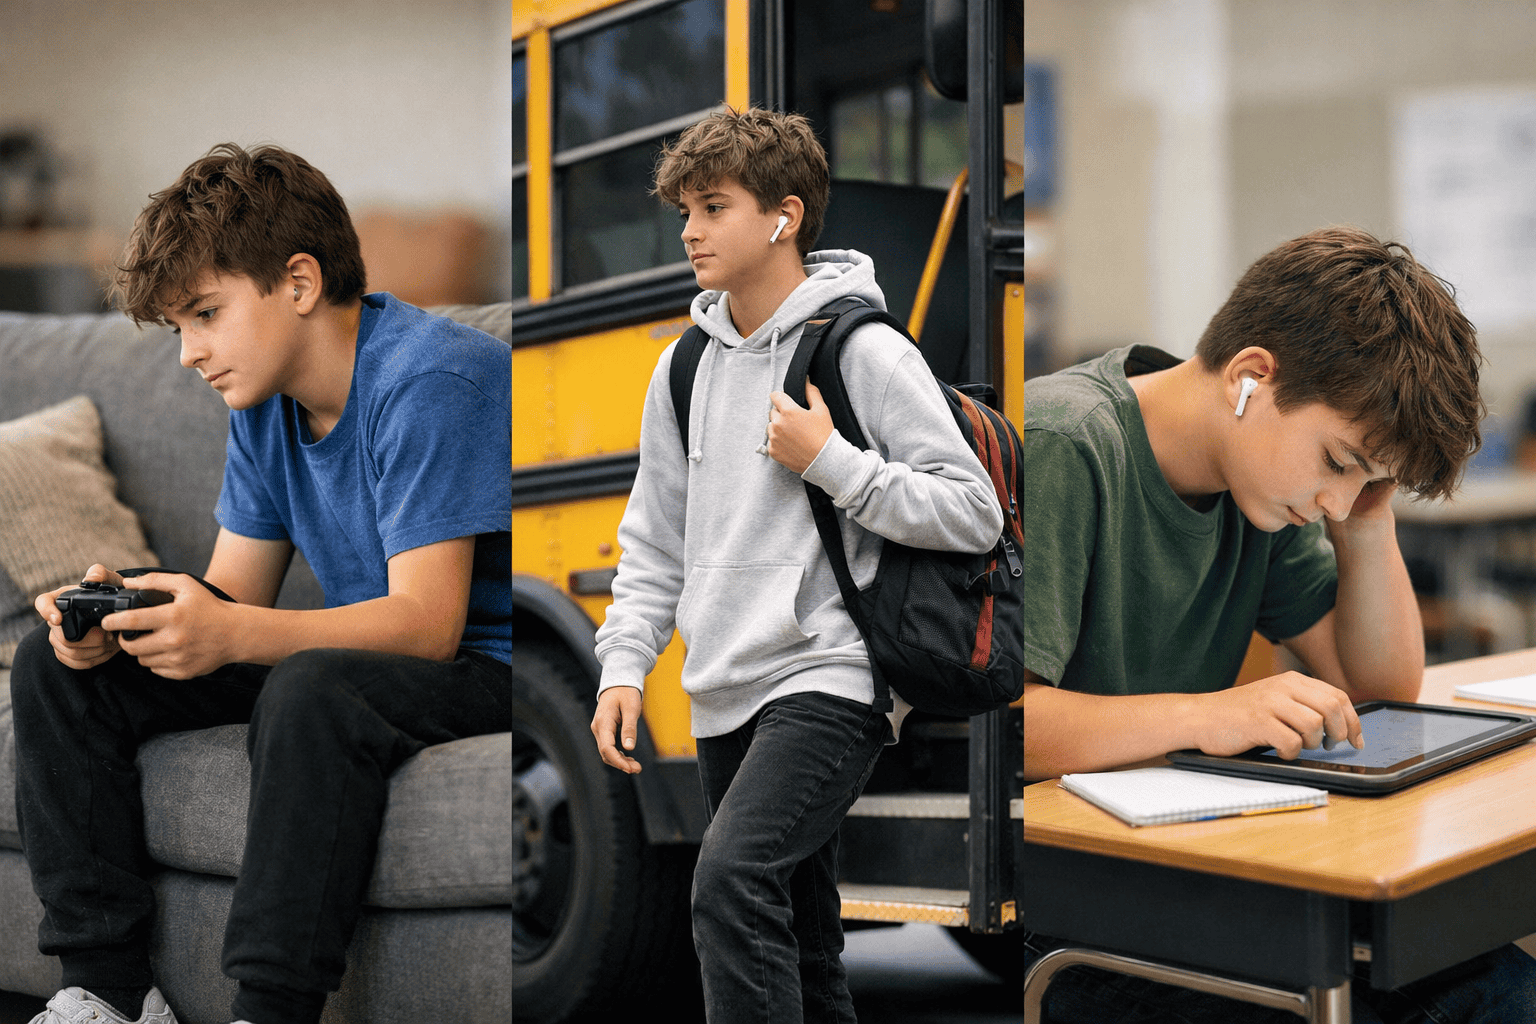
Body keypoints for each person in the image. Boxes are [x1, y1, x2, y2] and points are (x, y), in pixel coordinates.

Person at [10, 143, 510, 1024]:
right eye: (179, 329)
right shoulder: (263, 401)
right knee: (58, 671)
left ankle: (271, 1010)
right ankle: (108, 994)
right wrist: (132, 614)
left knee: (311, 689)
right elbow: (231, 592)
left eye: (205, 314)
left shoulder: (434, 377)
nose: (189, 356)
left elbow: (432, 625)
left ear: (301, 282)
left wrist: (233, 633)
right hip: (380, 653)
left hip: (488, 664)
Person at [1023, 226, 1536, 1022]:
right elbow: (1003, 728)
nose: (1336, 499)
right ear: (1250, 378)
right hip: (1066, 906)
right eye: (1337, 462)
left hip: (1190, 870)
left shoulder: (1264, 486)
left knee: (1498, 990)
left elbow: (1383, 690)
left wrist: (1366, 526)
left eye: (1368, 479)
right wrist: (1211, 714)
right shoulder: (1067, 442)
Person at [588, 106, 1003, 1022]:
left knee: (727, 886)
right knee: (807, 947)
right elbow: (654, 539)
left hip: (831, 674)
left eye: (712, 206)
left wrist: (832, 463)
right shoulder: (682, 369)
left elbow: (973, 511)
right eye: (683, 211)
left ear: (782, 216)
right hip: (720, 681)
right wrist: (624, 665)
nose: (689, 230)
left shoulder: (864, 349)